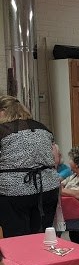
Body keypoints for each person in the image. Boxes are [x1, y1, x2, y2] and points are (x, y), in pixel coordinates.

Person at [0, 95, 61, 237]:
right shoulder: (42, 128)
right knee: (42, 236)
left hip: (14, 192)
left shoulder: (2, 130)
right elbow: (55, 158)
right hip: (47, 188)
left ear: (3, 110)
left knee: (17, 237)